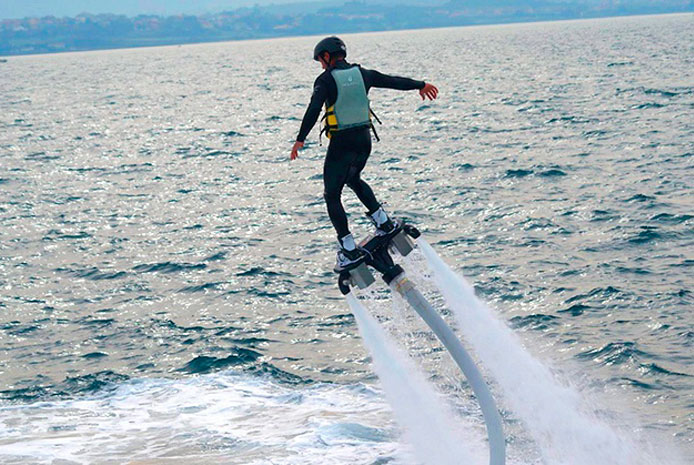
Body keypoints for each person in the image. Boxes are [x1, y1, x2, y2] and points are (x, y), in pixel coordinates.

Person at [290, 36, 438, 269]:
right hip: (364, 140)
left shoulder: (325, 79)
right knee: (353, 178)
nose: (320, 64)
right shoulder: (363, 74)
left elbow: (313, 108)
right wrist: (421, 84)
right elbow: (392, 81)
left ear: (327, 56)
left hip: (342, 143)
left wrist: (300, 139)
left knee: (332, 194)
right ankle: (383, 221)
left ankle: (348, 248)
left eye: (320, 59)